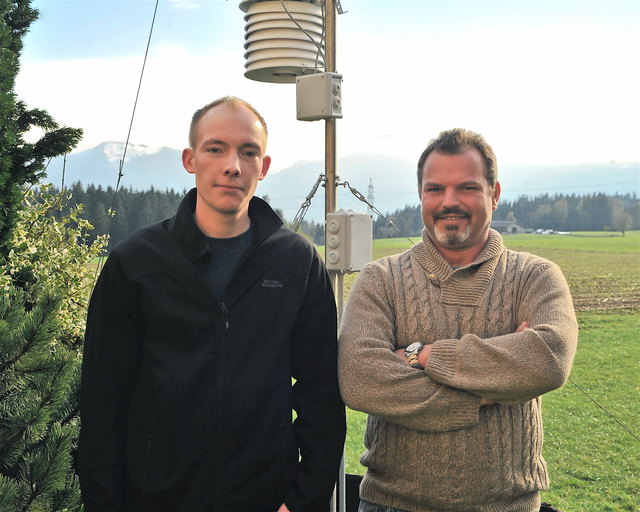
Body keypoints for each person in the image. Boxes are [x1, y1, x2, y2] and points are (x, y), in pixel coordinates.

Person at [78, 96, 346, 512]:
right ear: (190, 159)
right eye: (216, 148)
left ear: (264, 166)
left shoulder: (297, 263)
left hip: (267, 499)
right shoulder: (136, 263)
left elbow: (322, 394)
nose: (232, 166)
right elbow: (102, 400)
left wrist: (304, 500)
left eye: (248, 152)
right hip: (155, 499)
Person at [338, 128, 578, 512]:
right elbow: (361, 379)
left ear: (494, 194)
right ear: (421, 196)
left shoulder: (536, 276)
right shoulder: (379, 279)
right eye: (435, 189)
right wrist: (490, 392)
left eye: (466, 187)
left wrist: (426, 356)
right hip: (391, 504)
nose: (449, 202)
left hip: (509, 506)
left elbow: (548, 360)